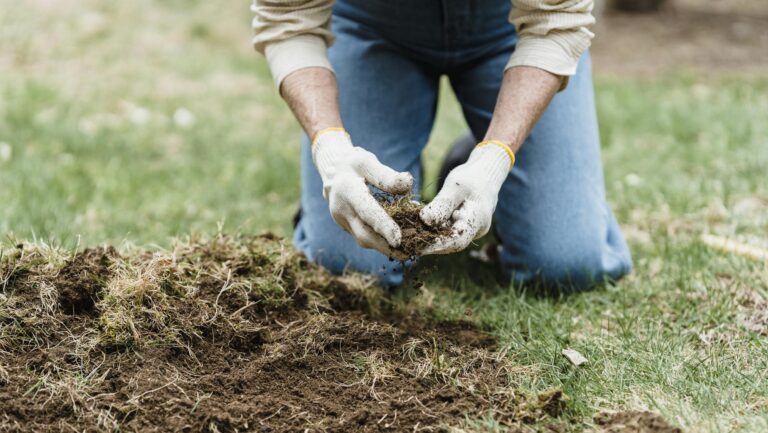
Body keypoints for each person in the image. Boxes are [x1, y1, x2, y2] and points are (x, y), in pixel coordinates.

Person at [251, 0, 632, 291]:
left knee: (563, 265)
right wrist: (331, 149)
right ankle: (330, 194)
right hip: (373, 25)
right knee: (351, 267)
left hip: (512, 29)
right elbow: (288, 19)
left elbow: (556, 24)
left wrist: (494, 159)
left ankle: (476, 158)